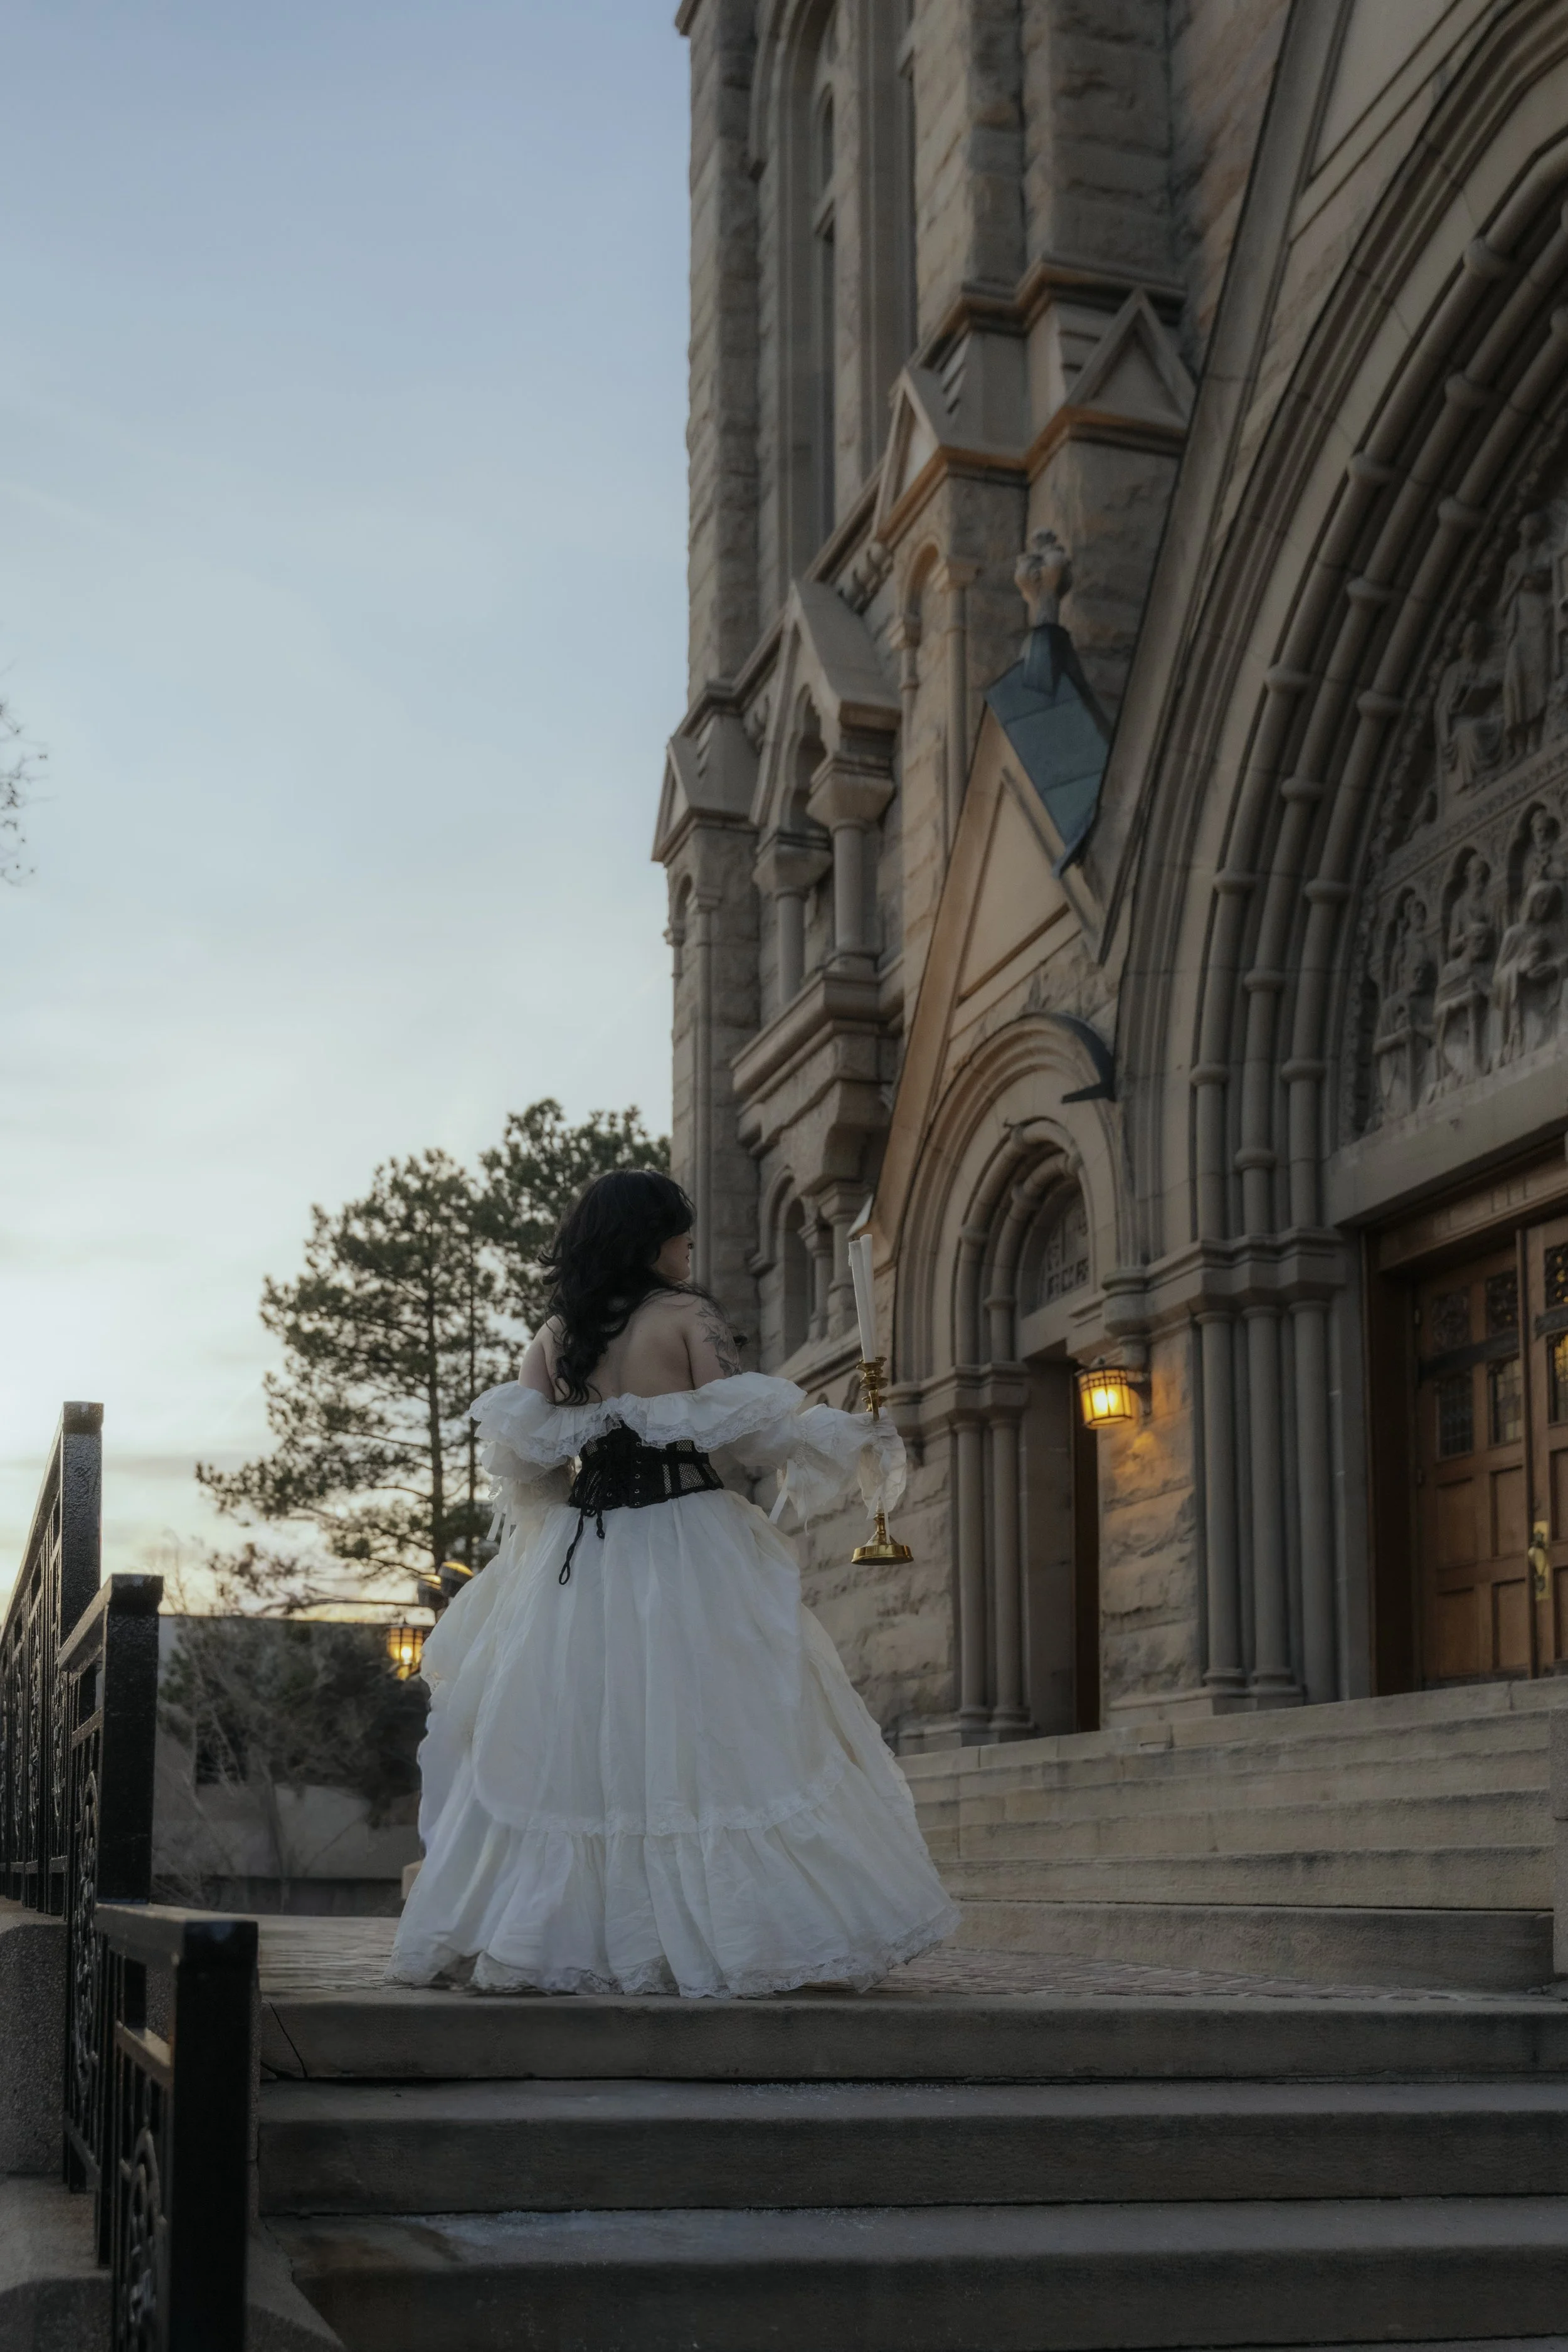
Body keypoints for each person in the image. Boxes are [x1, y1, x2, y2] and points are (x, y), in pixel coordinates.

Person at [387, 1167, 958, 1999]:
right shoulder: (688, 1317)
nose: (691, 1248)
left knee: (591, 1743)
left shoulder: (556, 1338)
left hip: (584, 1557)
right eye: (683, 1234)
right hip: (689, 1544)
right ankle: (724, 1930)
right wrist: (847, 1433)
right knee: (714, 1731)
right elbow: (758, 1431)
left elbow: (527, 1470)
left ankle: (552, 1930)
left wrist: (560, 1546)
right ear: (654, 1240)